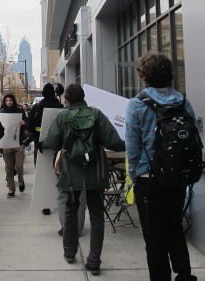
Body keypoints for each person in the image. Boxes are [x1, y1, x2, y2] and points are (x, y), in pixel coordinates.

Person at [125, 53, 197, 281]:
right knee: (175, 227)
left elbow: (132, 147)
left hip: (149, 179)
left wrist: (134, 176)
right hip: (177, 177)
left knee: (154, 238)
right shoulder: (184, 102)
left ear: (144, 76)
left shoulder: (136, 105)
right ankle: (184, 275)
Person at [44, 83, 124, 276]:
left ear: (67, 100)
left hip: (71, 175)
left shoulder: (61, 116)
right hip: (95, 174)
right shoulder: (96, 115)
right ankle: (94, 260)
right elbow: (113, 142)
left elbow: (52, 142)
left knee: (71, 212)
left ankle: (70, 252)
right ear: (83, 97)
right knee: (97, 216)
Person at [0, 93, 28, 198]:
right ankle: (11, 189)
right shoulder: (1, 112)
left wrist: (24, 123)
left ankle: (21, 180)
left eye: (10, 100)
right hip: (6, 144)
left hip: (18, 143)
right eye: (7, 100)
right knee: (9, 168)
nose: (9, 102)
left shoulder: (20, 111)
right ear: (4, 102)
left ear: (13, 101)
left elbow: (28, 124)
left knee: (19, 166)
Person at [28, 83, 64, 167]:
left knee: (39, 169)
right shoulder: (60, 107)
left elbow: (29, 125)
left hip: (39, 141)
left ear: (43, 93)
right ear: (53, 93)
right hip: (57, 142)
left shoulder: (36, 107)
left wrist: (34, 136)